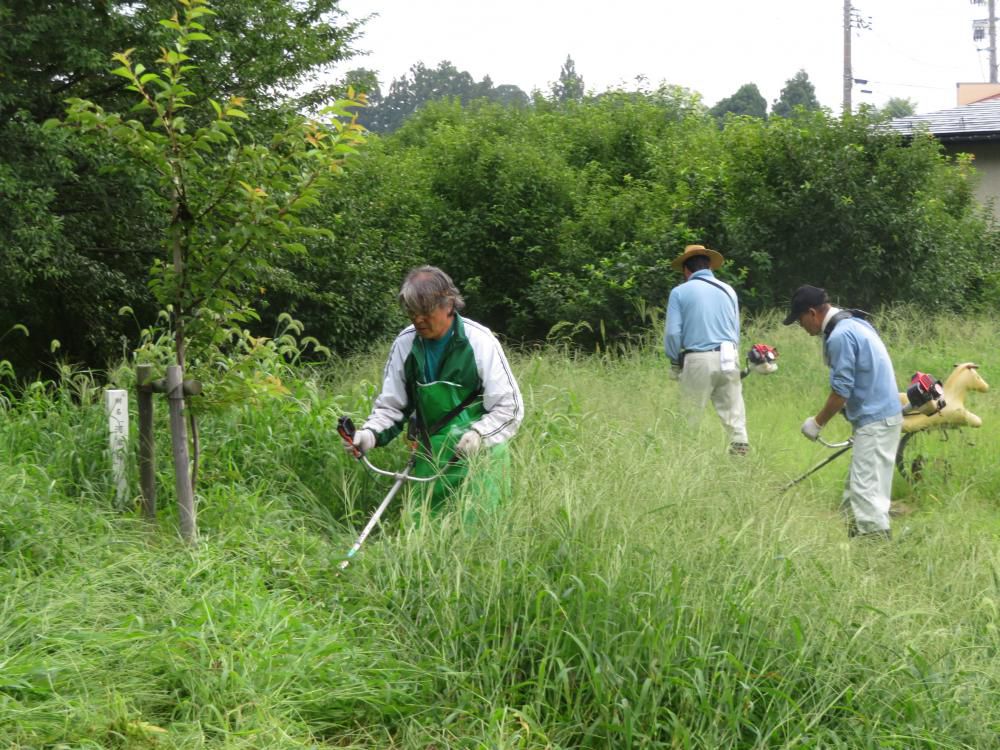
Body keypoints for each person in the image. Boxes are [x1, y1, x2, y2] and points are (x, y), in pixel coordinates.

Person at [344, 266, 523, 519]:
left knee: (476, 540)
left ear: (448, 304)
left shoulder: (480, 341)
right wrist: (369, 435)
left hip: (480, 459)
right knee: (422, 537)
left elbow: (510, 407)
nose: (417, 320)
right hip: (431, 456)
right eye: (411, 312)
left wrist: (479, 435)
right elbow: (393, 406)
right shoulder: (405, 343)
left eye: (425, 311)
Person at [783, 285, 902, 540]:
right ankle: (855, 544)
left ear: (812, 313)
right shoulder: (854, 322)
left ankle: (876, 553)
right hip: (881, 416)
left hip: (877, 419)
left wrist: (816, 423)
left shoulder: (839, 336)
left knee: (866, 493)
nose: (801, 328)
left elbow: (841, 392)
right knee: (855, 490)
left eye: (800, 320)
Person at [663, 244, 749, 455]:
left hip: (698, 358)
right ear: (709, 266)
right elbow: (735, 330)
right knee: (734, 418)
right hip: (730, 355)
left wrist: (675, 361)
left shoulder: (679, 292)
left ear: (686, 269)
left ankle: (686, 461)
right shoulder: (729, 290)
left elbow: (673, 333)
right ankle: (740, 465)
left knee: (689, 416)